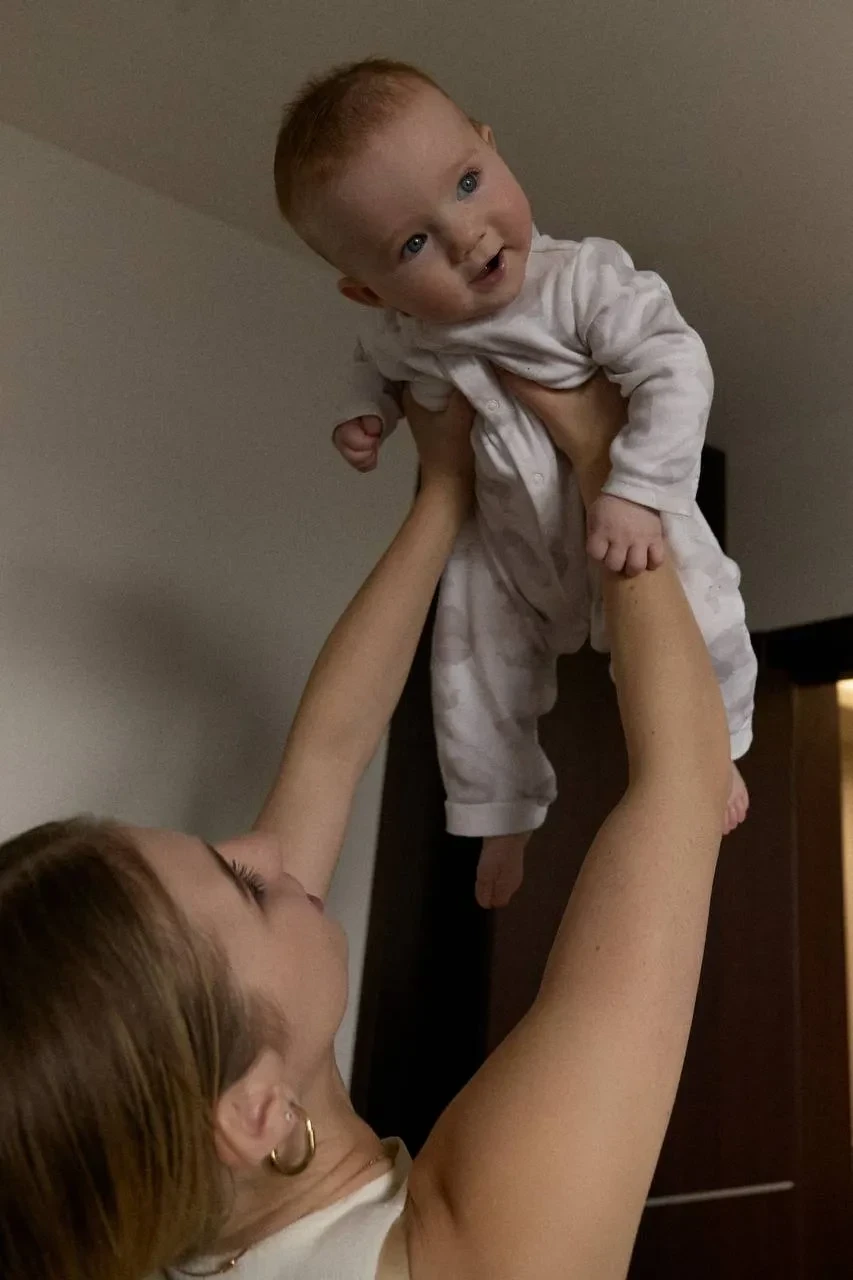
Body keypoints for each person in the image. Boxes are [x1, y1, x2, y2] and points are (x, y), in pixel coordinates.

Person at [0, 371, 729, 1280]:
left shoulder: (184, 1192)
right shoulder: (482, 1256)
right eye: (245, 888)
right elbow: (684, 785)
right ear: (256, 1112)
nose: (262, 847)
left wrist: (443, 492)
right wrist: (604, 465)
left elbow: (326, 755)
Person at [273, 57, 755, 909]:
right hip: (503, 550)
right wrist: (365, 414)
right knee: (465, 663)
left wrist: (637, 487)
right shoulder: (405, 331)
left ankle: (715, 749)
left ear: (491, 146)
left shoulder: (580, 279)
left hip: (621, 514)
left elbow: (677, 366)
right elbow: (371, 365)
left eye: (467, 183)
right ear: (368, 291)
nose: (466, 237)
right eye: (413, 244)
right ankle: (503, 811)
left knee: (698, 604)